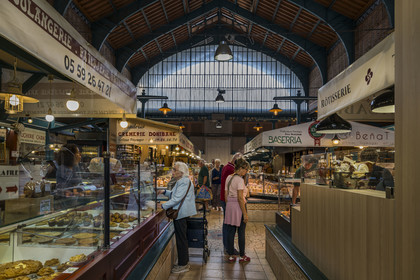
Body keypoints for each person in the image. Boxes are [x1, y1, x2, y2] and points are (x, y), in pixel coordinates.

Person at [158, 162, 197, 273]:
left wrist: (162, 206)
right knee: (181, 238)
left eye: (175, 170)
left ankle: (183, 265)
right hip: (182, 213)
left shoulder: (184, 182)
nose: (173, 172)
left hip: (181, 213)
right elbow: (175, 195)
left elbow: (177, 199)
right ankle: (183, 262)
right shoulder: (181, 181)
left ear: (181, 172)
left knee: (181, 239)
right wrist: (165, 192)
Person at [224, 158, 251, 263]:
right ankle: (242, 255)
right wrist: (245, 214)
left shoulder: (228, 178)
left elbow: (226, 195)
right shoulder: (239, 180)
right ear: (240, 168)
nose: (246, 172)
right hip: (239, 206)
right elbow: (240, 198)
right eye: (245, 169)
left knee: (230, 231)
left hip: (230, 206)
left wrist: (229, 206)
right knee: (241, 232)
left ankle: (231, 255)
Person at [220, 152, 242, 254]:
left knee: (227, 224)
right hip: (228, 200)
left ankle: (227, 246)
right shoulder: (230, 170)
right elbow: (229, 188)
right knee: (229, 225)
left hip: (225, 199)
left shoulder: (226, 167)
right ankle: (229, 247)